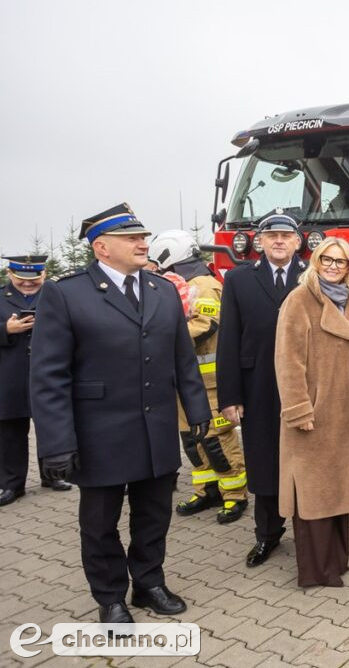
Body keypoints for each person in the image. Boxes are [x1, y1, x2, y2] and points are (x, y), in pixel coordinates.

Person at [30, 203, 210, 624]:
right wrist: (56, 444)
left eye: (143, 236)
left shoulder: (162, 289)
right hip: (100, 432)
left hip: (156, 426)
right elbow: (48, 375)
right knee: (100, 522)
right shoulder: (67, 292)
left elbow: (182, 358)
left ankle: (148, 583)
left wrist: (198, 408)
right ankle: (110, 596)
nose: (143, 243)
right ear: (101, 247)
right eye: (132, 238)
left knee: (154, 514)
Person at [217, 212, 306, 567]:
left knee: (303, 457)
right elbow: (228, 340)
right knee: (265, 459)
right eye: (272, 236)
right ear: (260, 242)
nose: (279, 241)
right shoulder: (239, 280)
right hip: (257, 386)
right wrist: (230, 396)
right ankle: (267, 534)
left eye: (286, 235)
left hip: (302, 384)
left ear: (299, 241)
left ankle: (309, 532)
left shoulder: (314, 276)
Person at [275, 238, 349, 587]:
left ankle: (336, 561)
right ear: (315, 260)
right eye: (327, 259)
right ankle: (316, 571)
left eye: (341, 262)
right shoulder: (299, 299)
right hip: (312, 409)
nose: (333, 266)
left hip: (343, 411)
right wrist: (298, 410)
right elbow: (287, 360)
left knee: (335, 492)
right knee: (312, 494)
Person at [149, 230, 248, 524]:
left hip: (210, 382)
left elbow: (207, 324)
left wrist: (159, 339)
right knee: (192, 440)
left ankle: (235, 494)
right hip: (184, 381)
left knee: (216, 439)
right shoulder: (178, 284)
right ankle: (207, 489)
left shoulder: (204, 285)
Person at [1, 255, 72, 505]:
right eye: (21, 280)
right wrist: (6, 330)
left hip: (48, 374)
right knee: (11, 432)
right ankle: (11, 484)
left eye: (34, 279)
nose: (28, 284)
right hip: (10, 377)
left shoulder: (57, 295)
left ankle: (53, 475)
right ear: (10, 274)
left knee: (50, 424)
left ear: (44, 274)